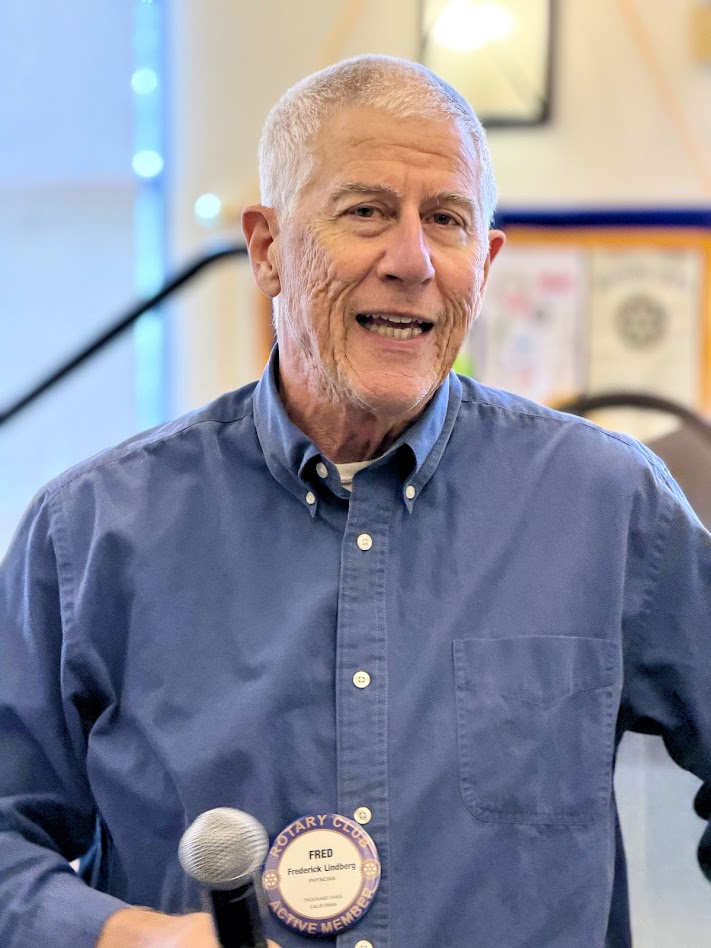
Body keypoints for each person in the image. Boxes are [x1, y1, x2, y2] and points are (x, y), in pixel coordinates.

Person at [0, 53, 710, 948]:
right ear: (267, 250)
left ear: (485, 262)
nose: (411, 260)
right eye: (365, 211)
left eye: (445, 219)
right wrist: (127, 937)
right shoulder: (89, 534)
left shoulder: (608, 505)